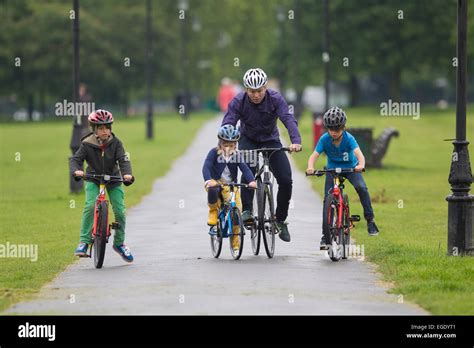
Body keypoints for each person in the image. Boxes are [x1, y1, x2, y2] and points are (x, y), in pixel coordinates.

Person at [221, 68, 302, 242]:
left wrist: (295, 141)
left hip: (271, 141)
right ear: (246, 89)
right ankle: (248, 211)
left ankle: (280, 220)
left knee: (286, 180)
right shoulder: (239, 101)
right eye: (252, 91)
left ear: (265, 87)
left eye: (259, 91)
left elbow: (288, 119)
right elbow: (228, 122)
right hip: (248, 140)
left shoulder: (275, 99)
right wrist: (227, 144)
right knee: (248, 172)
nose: (256, 95)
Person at [306, 107, 379, 250]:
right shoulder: (324, 139)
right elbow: (314, 155)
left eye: (337, 129)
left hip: (351, 169)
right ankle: (325, 236)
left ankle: (370, 221)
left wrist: (361, 165)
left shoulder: (349, 138)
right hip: (332, 171)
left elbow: (359, 154)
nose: (333, 132)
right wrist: (310, 166)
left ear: (343, 127)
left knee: (361, 188)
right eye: (331, 129)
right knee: (327, 199)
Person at [70, 109, 135, 262]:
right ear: (94, 129)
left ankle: (119, 243)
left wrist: (127, 174)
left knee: (120, 211)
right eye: (101, 128)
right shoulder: (87, 144)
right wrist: (77, 171)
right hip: (93, 178)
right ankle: (84, 242)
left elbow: (124, 160)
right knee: (90, 205)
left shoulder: (116, 143)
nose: (105, 131)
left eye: (107, 127)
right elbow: (75, 160)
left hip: (113, 179)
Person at [202, 125, 257, 251]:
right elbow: (206, 167)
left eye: (231, 146)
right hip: (216, 183)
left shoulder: (236, 155)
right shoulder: (213, 153)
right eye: (225, 145)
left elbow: (245, 168)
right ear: (220, 144)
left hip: (232, 186)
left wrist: (251, 181)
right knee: (213, 190)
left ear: (236, 145)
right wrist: (208, 180)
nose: (228, 148)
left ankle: (235, 241)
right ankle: (213, 212)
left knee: (237, 210)